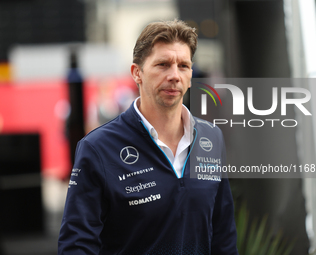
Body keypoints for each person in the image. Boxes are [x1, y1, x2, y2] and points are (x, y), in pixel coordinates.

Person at [58, 19, 238, 255]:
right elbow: (76, 245)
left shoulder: (211, 138)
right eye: (163, 65)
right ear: (137, 73)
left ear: (191, 73)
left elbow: (223, 236)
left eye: (183, 66)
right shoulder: (97, 148)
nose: (174, 75)